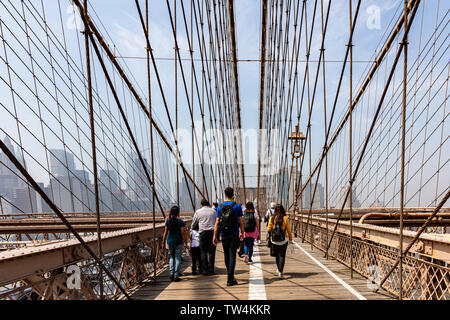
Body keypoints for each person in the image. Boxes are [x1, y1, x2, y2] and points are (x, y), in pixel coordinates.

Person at [213, 187, 245, 286]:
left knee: (226, 255)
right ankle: (230, 278)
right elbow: (240, 221)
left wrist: (214, 236)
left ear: (225, 194)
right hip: (233, 234)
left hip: (224, 235)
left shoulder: (220, 207)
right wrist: (242, 233)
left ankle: (230, 276)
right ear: (233, 194)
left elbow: (217, 222)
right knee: (232, 256)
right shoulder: (237, 206)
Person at [162, 206, 188, 282]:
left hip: (170, 242)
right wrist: (186, 243)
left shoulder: (168, 221)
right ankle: (176, 276)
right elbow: (183, 233)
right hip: (178, 242)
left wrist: (163, 242)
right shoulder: (180, 222)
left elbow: (165, 233)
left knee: (171, 258)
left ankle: (171, 273)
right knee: (177, 258)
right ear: (178, 213)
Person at [267, 204, 293, 279]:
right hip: (283, 240)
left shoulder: (272, 218)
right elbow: (288, 230)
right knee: (282, 255)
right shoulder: (285, 218)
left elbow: (269, 229)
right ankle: (280, 272)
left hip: (274, 240)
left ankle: (278, 269)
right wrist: (290, 239)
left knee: (277, 255)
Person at [191, 198, 217, 275]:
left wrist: (191, 232)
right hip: (212, 232)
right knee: (212, 252)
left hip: (202, 233)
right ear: (208, 204)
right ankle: (211, 269)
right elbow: (217, 222)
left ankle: (205, 269)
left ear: (201, 205)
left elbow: (193, 223)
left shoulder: (198, 212)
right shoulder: (213, 211)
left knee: (203, 251)